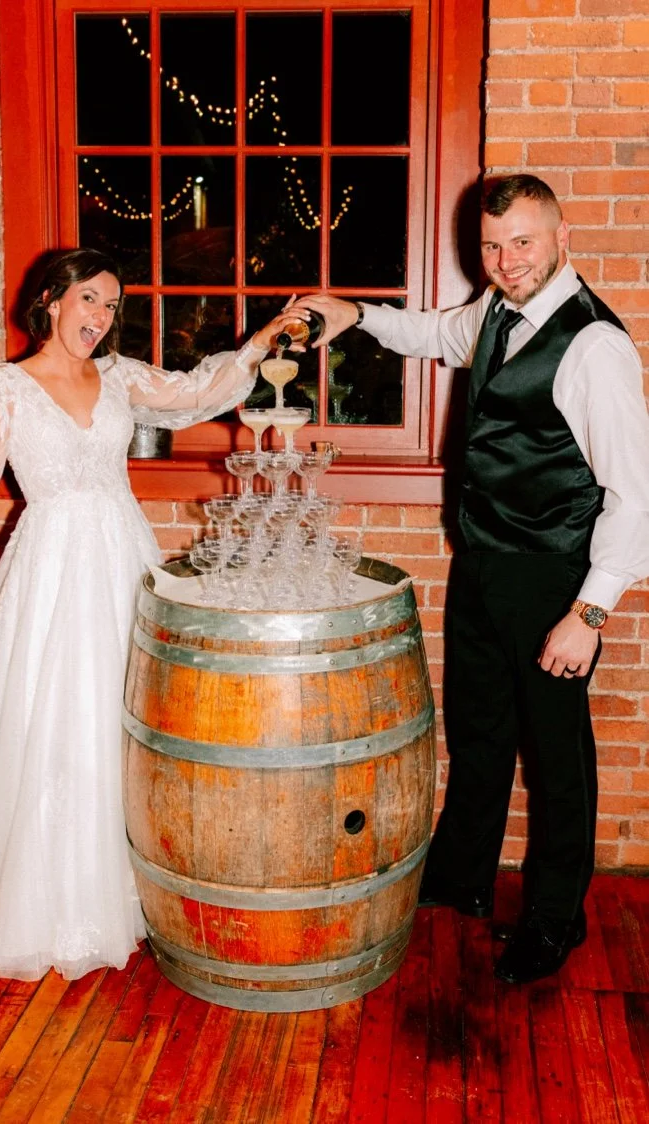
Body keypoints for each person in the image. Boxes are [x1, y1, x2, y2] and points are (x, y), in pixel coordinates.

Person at [0, 248, 298, 980]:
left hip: (124, 560)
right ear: (52, 300)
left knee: (131, 719)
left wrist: (260, 343)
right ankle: (48, 902)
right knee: (51, 721)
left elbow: (195, 391)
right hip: (50, 571)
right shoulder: (5, 385)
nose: (101, 316)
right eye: (89, 299)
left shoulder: (119, 376)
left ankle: (138, 887)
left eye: (112, 306)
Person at [295, 174, 649, 984]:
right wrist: (357, 314)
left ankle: (557, 918)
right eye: (493, 246)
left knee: (556, 755)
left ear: (562, 237)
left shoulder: (594, 345)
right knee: (480, 727)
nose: (506, 259)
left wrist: (589, 613)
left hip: (554, 576)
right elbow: (433, 333)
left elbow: (636, 494)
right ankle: (464, 876)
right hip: (484, 559)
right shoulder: (495, 310)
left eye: (522, 242)